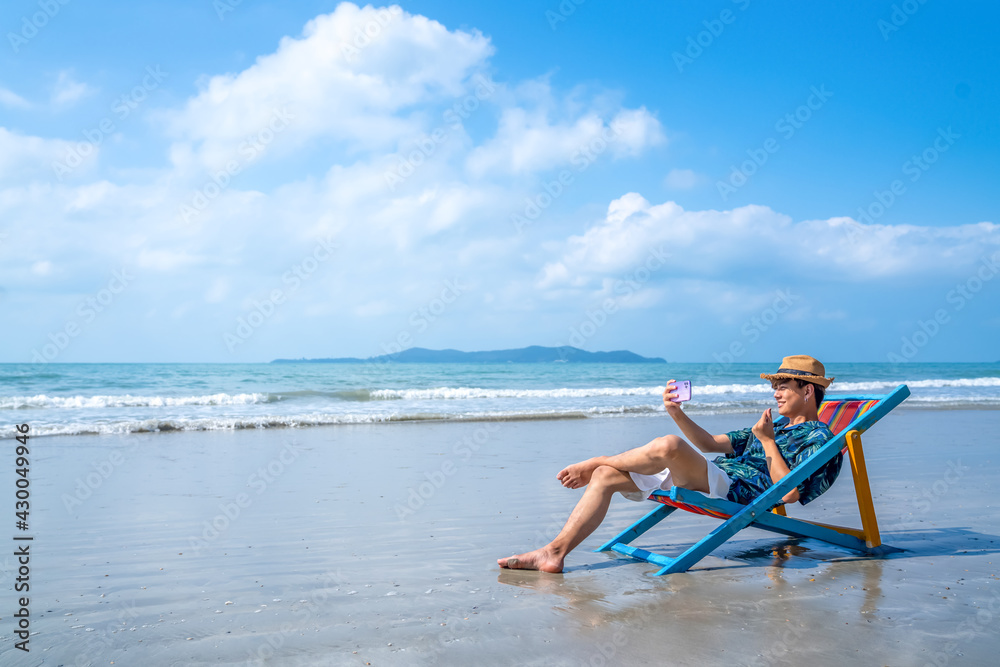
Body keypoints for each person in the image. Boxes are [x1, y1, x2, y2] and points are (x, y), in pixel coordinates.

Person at [498, 355, 839, 573]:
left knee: (668, 446)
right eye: (775, 387)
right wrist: (677, 412)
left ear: (807, 391)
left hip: (739, 494)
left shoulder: (818, 436)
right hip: (717, 477)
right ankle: (553, 553)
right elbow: (708, 445)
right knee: (604, 477)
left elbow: (791, 492)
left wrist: (765, 442)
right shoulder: (772, 425)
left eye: (783, 387)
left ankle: (596, 459)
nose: (775, 393)